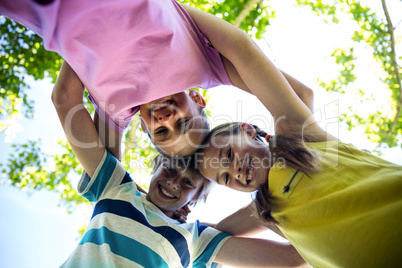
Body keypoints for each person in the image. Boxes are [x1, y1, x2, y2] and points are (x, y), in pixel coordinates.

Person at [183, 5, 402, 268]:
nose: (235, 171)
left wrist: (176, 13)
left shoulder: (298, 138)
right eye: (226, 178)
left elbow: (243, 52)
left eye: (228, 155)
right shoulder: (268, 211)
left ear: (248, 129)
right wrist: (162, 212)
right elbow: (217, 233)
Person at [52, 61, 308, 267]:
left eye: (188, 183)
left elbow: (293, 258)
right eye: (171, 170)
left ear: (193, 202)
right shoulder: (116, 187)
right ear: (154, 167)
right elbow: (64, 98)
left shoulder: (196, 240)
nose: (174, 182)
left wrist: (268, 200)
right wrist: (90, 42)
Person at [0, 0, 313, 157]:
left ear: (144, 127)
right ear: (198, 99)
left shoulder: (116, 112)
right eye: (182, 123)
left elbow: (107, 178)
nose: (166, 120)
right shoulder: (208, 67)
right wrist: (296, 146)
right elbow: (301, 94)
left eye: (161, 132)